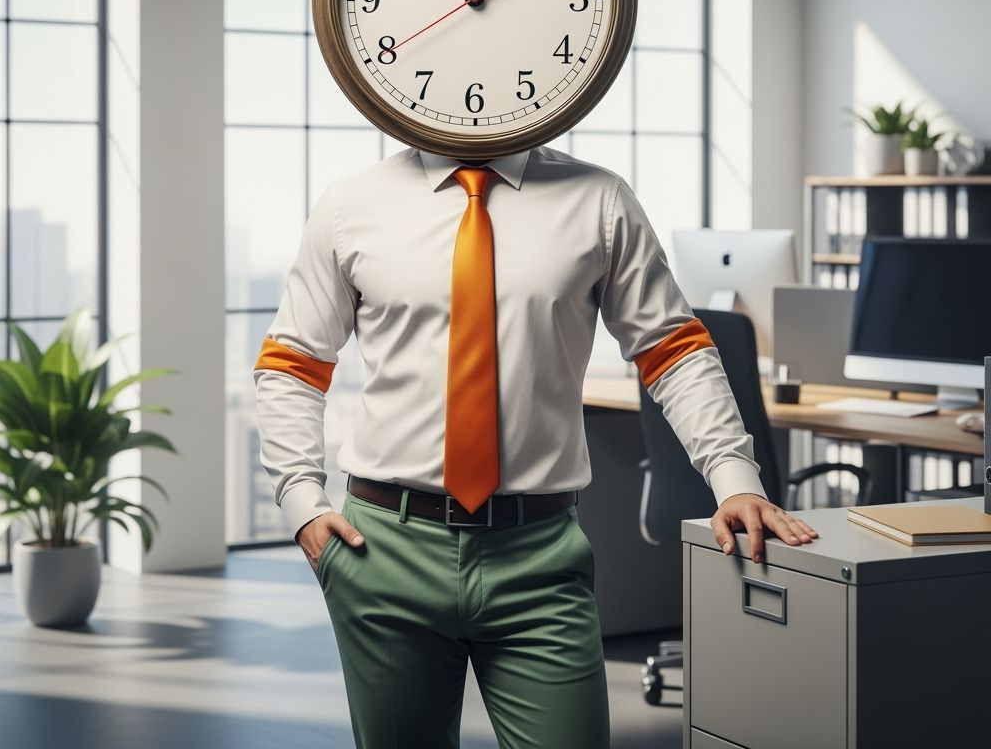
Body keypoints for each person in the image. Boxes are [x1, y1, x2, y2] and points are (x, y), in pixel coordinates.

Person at [254, 143, 819, 749]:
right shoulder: (352, 204)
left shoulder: (598, 199)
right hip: (384, 550)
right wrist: (303, 503)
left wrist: (735, 478)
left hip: (538, 556)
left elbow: (674, 349)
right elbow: (292, 363)